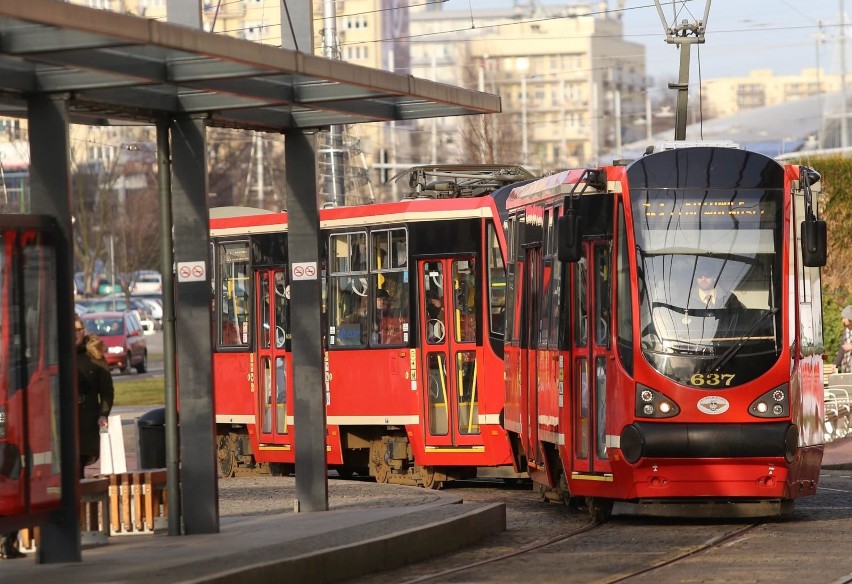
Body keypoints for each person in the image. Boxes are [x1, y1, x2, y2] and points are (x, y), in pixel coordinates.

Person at [75, 315, 115, 478]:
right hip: (62, 422)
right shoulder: (56, 355)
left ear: (83, 331)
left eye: (77, 330)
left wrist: (103, 414)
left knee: (78, 465)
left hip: (86, 422)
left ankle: (79, 500)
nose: (74, 333)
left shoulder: (95, 356)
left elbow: (107, 390)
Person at [835, 306, 852, 373]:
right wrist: (835, 364)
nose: (843, 320)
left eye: (844, 318)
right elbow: (842, 349)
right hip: (846, 366)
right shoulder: (846, 331)